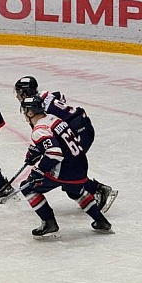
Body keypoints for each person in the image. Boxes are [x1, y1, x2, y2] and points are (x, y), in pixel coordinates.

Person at [14, 75, 118, 213]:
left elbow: (47, 130)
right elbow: (59, 96)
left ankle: (98, 189)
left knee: (69, 166)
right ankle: (94, 190)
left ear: (26, 92)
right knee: (69, 167)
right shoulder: (43, 96)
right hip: (81, 126)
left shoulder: (37, 107)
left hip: (80, 131)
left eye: (19, 93)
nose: (17, 96)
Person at [18, 95, 113, 238]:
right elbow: (59, 141)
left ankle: (49, 222)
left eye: (26, 111)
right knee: (76, 192)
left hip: (65, 170)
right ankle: (102, 222)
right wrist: (37, 149)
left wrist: (40, 169)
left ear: (30, 112)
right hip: (81, 165)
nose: (25, 115)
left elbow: (55, 153)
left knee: (27, 187)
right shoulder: (53, 118)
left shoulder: (39, 129)